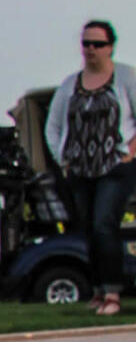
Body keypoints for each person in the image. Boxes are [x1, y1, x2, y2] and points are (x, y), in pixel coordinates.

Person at [46, 20, 136, 317]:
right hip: (80, 168)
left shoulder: (126, 77)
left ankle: (112, 292)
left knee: (103, 224)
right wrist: (63, 159)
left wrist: (130, 151)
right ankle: (97, 289)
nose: (91, 50)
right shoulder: (70, 85)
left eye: (97, 44)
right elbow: (53, 126)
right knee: (87, 229)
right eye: (86, 44)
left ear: (110, 47)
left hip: (115, 166)